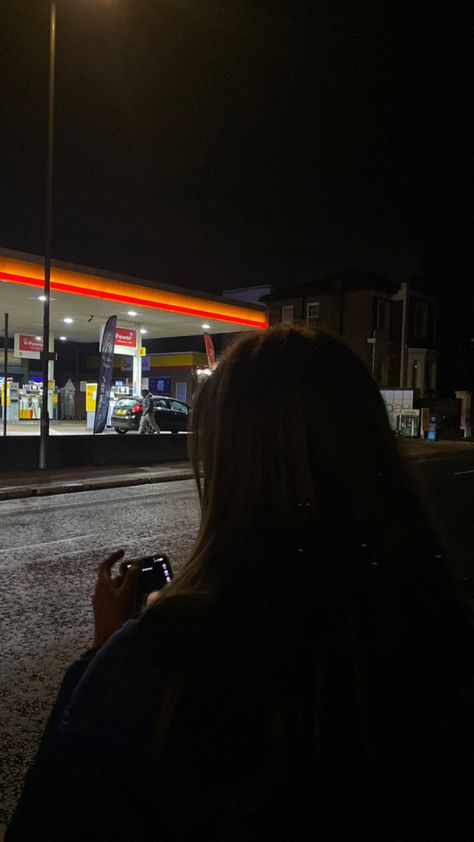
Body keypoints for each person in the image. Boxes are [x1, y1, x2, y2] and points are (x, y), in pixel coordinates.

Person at [7, 325, 473, 841]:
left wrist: (103, 654)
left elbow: (52, 816)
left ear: (232, 469)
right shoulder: (439, 635)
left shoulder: (159, 667)